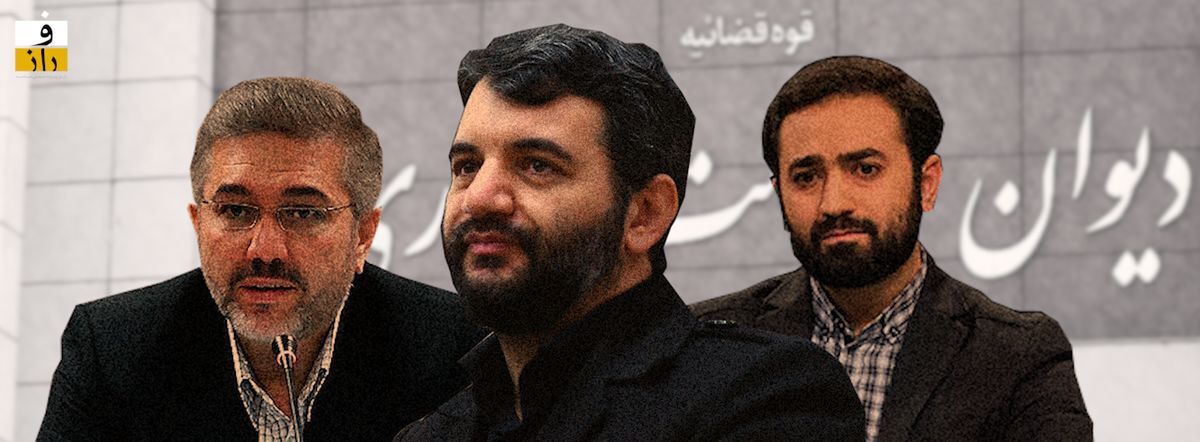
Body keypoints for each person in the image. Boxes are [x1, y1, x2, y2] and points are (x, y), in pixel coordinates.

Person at [394, 25, 864, 441]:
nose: (478, 198)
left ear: (645, 214)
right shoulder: (432, 432)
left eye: (537, 166)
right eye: (467, 166)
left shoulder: (766, 395)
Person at [38, 77, 484, 440]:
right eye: (235, 211)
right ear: (198, 222)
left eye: (303, 213)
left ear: (363, 235)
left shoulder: (456, 349)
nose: (265, 251)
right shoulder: (112, 350)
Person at [692, 56, 1093, 441]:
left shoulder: (1017, 356)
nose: (834, 203)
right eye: (806, 177)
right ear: (779, 192)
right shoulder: (709, 346)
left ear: (926, 184)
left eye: (865, 169)